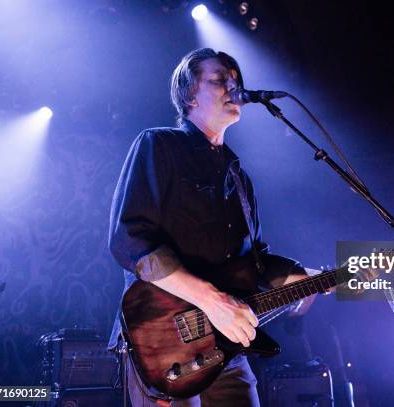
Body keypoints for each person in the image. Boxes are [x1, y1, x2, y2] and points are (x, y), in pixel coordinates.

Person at [107, 48, 316, 407]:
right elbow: (129, 237)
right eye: (220, 80)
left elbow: (256, 263)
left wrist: (304, 278)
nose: (234, 88)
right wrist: (212, 300)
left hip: (226, 347)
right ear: (190, 94)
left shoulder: (240, 177)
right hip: (161, 341)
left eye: (237, 81)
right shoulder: (159, 145)